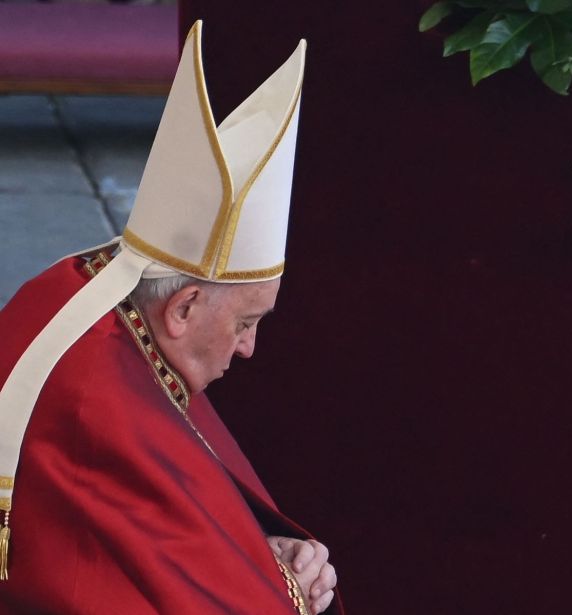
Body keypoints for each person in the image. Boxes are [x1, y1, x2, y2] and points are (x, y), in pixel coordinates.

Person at [0, 21, 340, 614]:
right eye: (244, 322)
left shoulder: (79, 283)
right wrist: (291, 594)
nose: (250, 347)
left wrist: (267, 556)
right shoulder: (101, 400)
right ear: (182, 307)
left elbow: (167, 545)